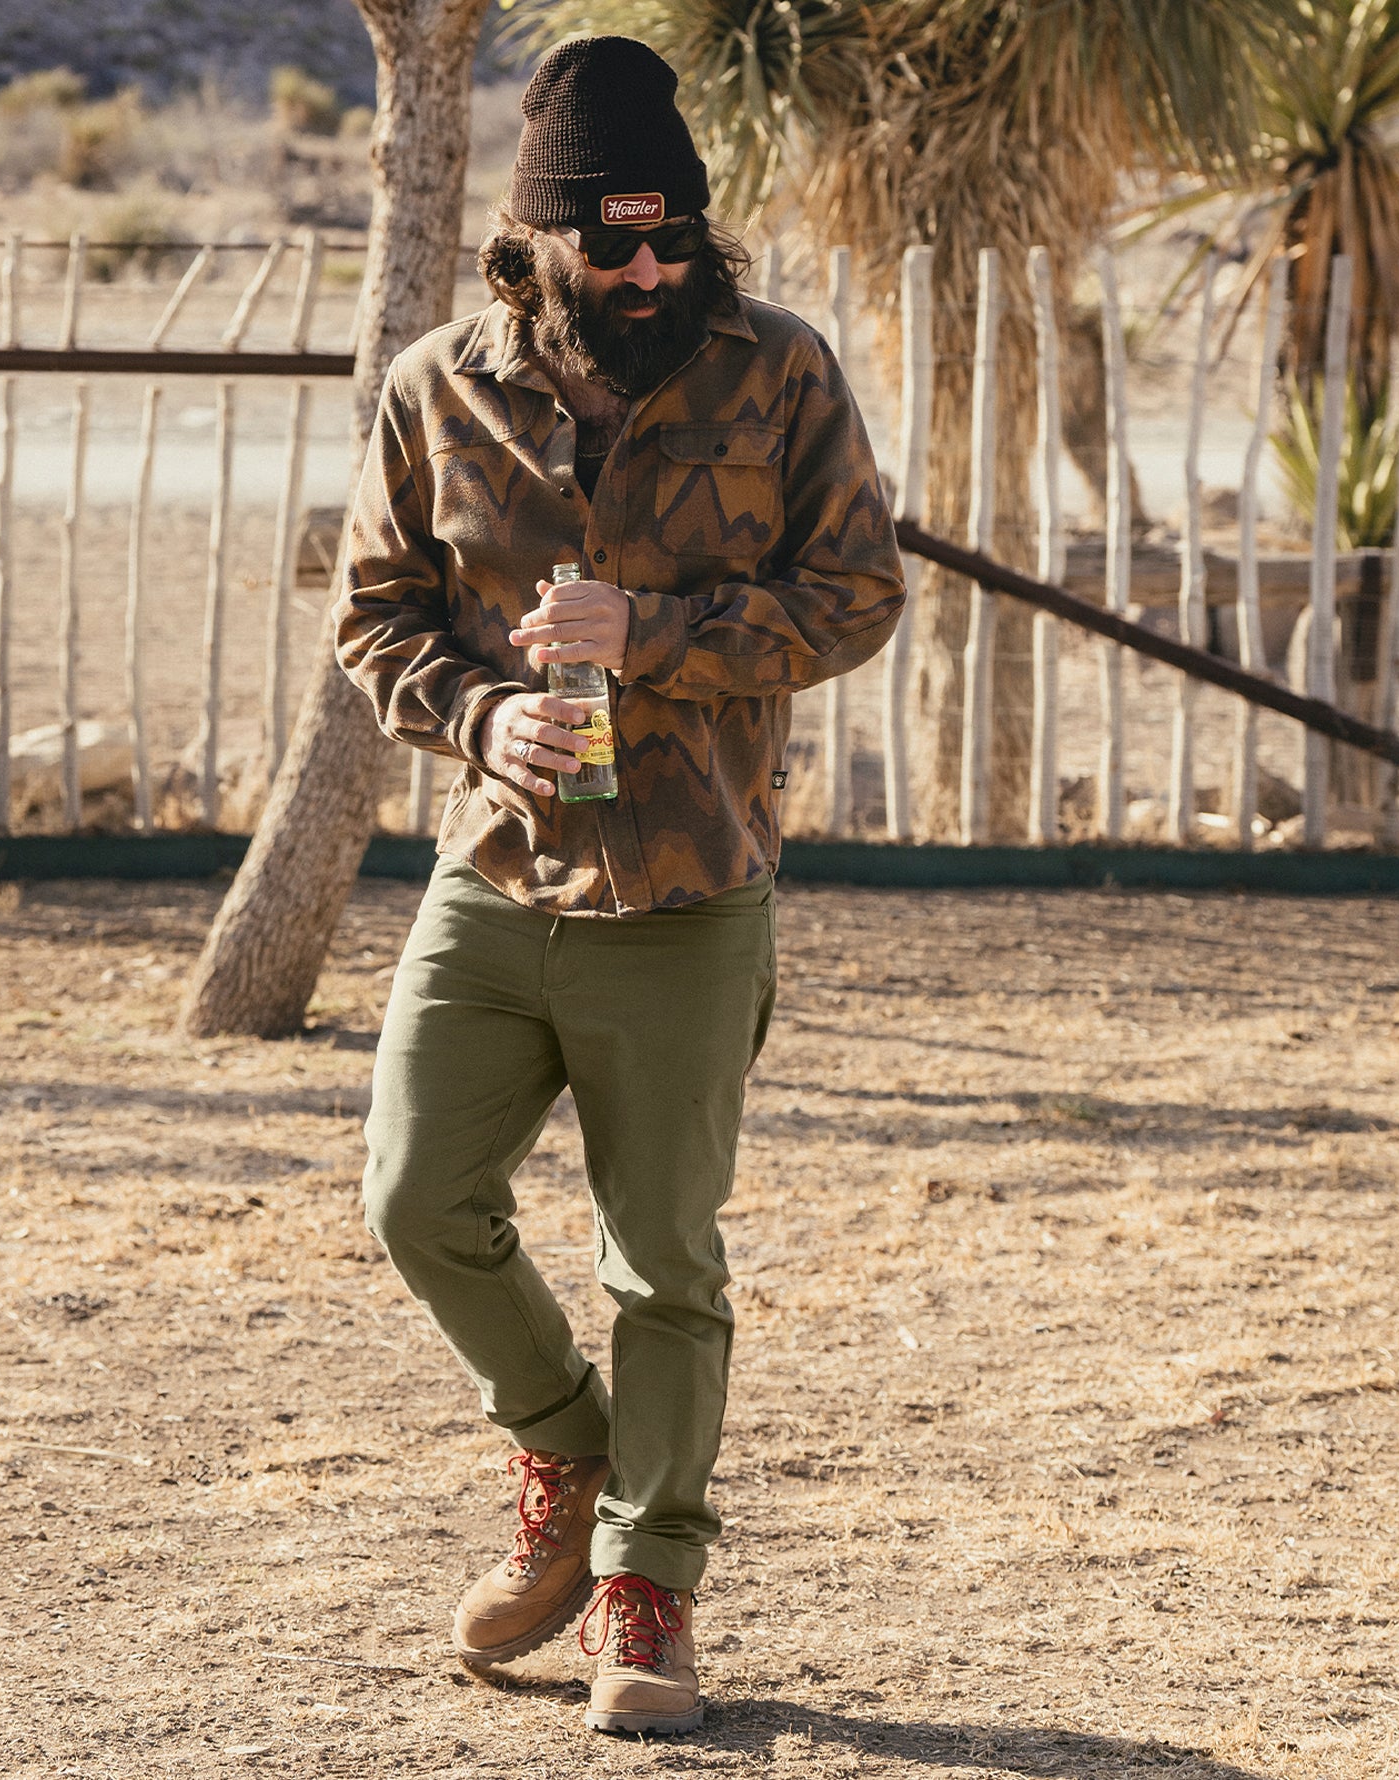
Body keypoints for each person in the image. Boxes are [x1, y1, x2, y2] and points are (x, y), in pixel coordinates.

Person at [334, 33, 904, 1737]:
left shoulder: (778, 369)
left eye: (674, 242)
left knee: (663, 1263)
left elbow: (859, 596)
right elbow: (376, 618)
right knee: (415, 1198)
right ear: (538, 240)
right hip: (496, 876)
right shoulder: (436, 387)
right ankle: (565, 1447)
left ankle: (648, 1588)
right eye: (614, 248)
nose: (651, 276)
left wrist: (651, 637)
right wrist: (480, 714)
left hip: (690, 888)